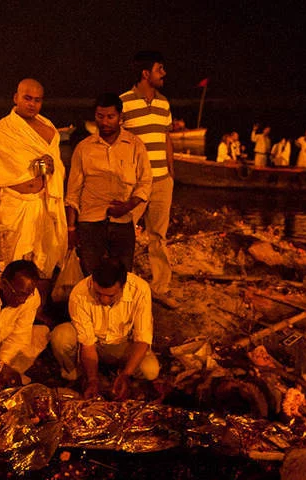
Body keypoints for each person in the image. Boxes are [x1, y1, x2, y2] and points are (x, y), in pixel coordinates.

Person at [0, 78, 67, 281]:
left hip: (42, 203)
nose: (32, 104)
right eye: (27, 98)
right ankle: (9, 307)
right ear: (16, 98)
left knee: (42, 260)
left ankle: (37, 308)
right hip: (13, 205)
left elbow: (57, 166)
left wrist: (52, 165)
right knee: (10, 261)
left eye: (37, 100)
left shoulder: (49, 129)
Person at [66, 93, 152, 275]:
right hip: (90, 223)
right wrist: (71, 229)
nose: (104, 122)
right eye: (100, 116)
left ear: (121, 118)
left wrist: (128, 206)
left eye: (110, 117)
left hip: (123, 221)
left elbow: (145, 183)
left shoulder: (135, 145)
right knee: (91, 276)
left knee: (123, 276)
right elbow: (73, 192)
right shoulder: (84, 148)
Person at [50, 257, 159, 400]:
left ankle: (120, 374)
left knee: (150, 370)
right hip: (94, 344)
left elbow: (142, 339)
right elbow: (87, 344)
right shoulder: (79, 293)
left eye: (110, 295)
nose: (103, 300)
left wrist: (126, 374)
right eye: (98, 293)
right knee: (61, 336)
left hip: (123, 344)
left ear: (123, 286)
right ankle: (80, 374)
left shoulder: (140, 289)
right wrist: (93, 380)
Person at [120, 51, 175, 301]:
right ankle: (121, 283)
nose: (163, 73)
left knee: (159, 236)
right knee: (124, 231)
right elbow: (118, 142)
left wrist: (171, 173)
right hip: (135, 182)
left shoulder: (164, 103)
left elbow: (166, 139)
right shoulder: (123, 103)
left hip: (163, 181)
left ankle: (161, 286)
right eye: (159, 69)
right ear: (146, 74)